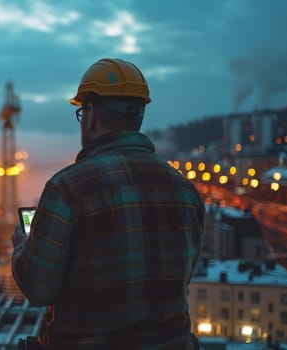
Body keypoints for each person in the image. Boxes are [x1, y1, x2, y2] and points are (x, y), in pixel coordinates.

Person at [11, 58, 205, 349]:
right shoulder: (185, 190)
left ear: (89, 113)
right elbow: (181, 278)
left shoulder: (68, 188)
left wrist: (22, 245)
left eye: (81, 112)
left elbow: (39, 289)